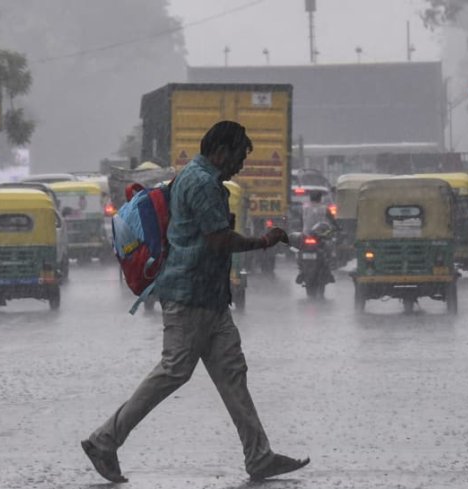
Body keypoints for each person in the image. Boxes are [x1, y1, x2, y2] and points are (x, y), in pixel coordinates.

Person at [81, 121, 309, 483]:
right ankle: (104, 440)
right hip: (189, 296)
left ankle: (259, 456)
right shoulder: (202, 183)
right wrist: (265, 242)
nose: (240, 166)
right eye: (238, 156)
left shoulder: (196, 178)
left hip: (209, 297)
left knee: (232, 374)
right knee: (173, 371)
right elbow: (219, 240)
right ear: (221, 150)